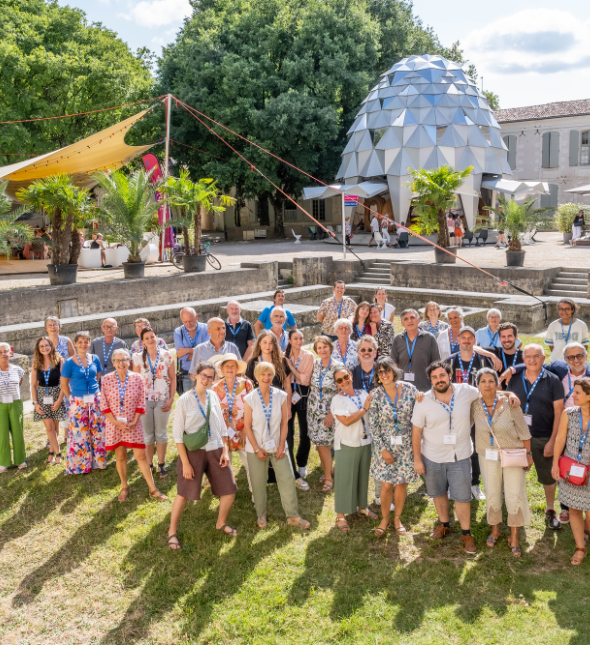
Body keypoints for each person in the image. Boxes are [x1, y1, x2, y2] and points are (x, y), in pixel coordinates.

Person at [412, 361, 520, 553]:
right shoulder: (423, 400)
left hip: (460, 455)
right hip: (432, 456)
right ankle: (444, 524)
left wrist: (509, 393)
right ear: (430, 380)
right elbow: (416, 432)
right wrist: (417, 459)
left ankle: (466, 533)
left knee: (462, 496)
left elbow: (488, 391)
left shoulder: (466, 391)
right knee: (438, 493)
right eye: (435, 377)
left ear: (450, 375)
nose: (439, 380)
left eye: (442, 376)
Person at [168, 361, 238, 549]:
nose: (206, 379)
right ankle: (172, 531)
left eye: (210, 376)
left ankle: (221, 522)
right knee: (183, 494)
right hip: (193, 453)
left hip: (215, 449)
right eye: (203, 375)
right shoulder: (184, 400)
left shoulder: (214, 396)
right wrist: (186, 463)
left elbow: (222, 427)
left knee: (230, 490)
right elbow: (177, 436)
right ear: (195, 376)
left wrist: (225, 450)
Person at [472, 368, 532, 557]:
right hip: (487, 455)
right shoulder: (474, 404)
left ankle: (514, 536)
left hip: (513, 453)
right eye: (483, 381)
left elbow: (524, 432)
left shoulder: (510, 403)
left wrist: (528, 454)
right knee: (492, 493)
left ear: (498, 383)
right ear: (478, 385)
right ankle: (495, 529)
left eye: (491, 381)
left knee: (514, 494)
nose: (487, 384)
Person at [243, 361, 310, 529]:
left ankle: (293, 516)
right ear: (257, 377)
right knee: (258, 482)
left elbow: (284, 423)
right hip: (256, 448)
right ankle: (261, 515)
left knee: (287, 479)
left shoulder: (281, 395)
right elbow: (247, 427)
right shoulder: (249, 398)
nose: (266, 377)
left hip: (279, 446)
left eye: (269, 374)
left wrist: (282, 445)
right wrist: (257, 449)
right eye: (263, 374)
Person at [507, 343, 565, 529]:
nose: (532, 360)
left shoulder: (553, 380)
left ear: (543, 358)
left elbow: (559, 412)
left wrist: (553, 441)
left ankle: (550, 510)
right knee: (515, 475)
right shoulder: (514, 378)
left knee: (548, 476)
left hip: (543, 437)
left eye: (536, 356)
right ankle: (515, 511)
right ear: (523, 359)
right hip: (517, 437)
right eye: (528, 357)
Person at [101, 348, 167, 502]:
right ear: (113, 363)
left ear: (129, 361)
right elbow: (104, 403)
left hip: (133, 423)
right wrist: (115, 421)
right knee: (120, 456)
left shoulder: (137, 378)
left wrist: (135, 420)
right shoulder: (107, 379)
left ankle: (153, 489)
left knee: (140, 456)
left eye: (124, 359)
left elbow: (140, 401)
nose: (121, 363)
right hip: (114, 424)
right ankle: (125, 487)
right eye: (117, 360)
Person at [446, 325, 499, 501]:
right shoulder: (450, 361)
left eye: (470, 338)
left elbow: (492, 386)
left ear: (474, 341)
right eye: (463, 338)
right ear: (458, 340)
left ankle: (474, 483)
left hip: (478, 411)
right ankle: (451, 484)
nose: (467, 341)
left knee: (476, 447)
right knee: (453, 446)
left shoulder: (484, 362)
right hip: (457, 412)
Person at [370, 357, 420, 536]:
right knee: (386, 485)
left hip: (406, 446)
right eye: (380, 372)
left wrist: (422, 397)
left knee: (401, 484)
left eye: (387, 370)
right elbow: (373, 425)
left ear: (394, 370)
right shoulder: (376, 394)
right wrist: (382, 450)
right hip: (384, 447)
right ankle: (385, 518)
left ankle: (397, 518)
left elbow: (420, 413)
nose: (384, 375)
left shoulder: (410, 389)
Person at [331, 366, 378, 530]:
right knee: (345, 478)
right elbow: (346, 420)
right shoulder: (337, 399)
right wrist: (364, 408)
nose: (344, 381)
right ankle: (340, 516)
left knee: (362, 475)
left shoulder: (362, 393)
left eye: (345, 377)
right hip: (347, 443)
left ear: (350, 375)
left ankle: (362, 506)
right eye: (339, 380)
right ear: (336, 384)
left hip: (365, 441)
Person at [551, 378, 590, 565]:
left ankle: (586, 532)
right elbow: (560, 440)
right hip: (571, 472)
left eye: (577, 393)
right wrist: (555, 464)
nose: (572, 395)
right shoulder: (569, 413)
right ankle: (580, 547)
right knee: (574, 509)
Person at [61, 332, 106, 475]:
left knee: (97, 431)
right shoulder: (69, 362)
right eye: (80, 342)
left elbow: (97, 377)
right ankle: (80, 465)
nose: (83, 344)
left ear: (89, 343)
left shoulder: (95, 358)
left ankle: (98, 462)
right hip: (78, 401)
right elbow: (64, 384)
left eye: (86, 341)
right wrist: (73, 399)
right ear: (75, 344)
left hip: (95, 399)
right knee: (80, 433)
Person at [132, 327, 176, 478]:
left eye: (152, 337)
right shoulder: (137, 357)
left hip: (162, 399)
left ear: (157, 337)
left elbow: (173, 378)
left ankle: (161, 464)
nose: (150, 340)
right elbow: (135, 381)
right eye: (147, 338)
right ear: (142, 341)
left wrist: (171, 398)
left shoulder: (167, 355)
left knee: (161, 434)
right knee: (148, 436)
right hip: (144, 401)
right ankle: (149, 464)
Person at [212, 353, 254, 493]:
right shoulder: (215, 389)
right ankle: (226, 493)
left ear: (237, 369)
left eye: (233, 365)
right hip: (224, 435)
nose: (230, 368)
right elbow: (213, 415)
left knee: (251, 465)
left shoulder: (247, 385)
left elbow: (253, 409)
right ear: (222, 370)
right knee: (224, 465)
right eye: (227, 366)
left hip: (244, 432)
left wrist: (245, 430)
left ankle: (256, 495)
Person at [307, 336, 344, 492]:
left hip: (330, 410)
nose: (322, 350)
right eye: (319, 348)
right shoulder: (315, 364)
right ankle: (328, 471)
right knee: (320, 443)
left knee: (324, 443)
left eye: (325, 347)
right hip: (314, 410)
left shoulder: (340, 367)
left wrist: (332, 413)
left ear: (331, 347)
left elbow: (344, 391)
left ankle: (328, 479)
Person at [285, 330, 315, 481]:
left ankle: (302, 463)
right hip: (287, 393)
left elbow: (305, 379)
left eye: (301, 338)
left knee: (305, 431)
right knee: (288, 431)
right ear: (289, 340)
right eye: (295, 338)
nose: (299, 341)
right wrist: (295, 371)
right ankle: (289, 463)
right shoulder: (283, 355)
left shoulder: (309, 356)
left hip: (303, 394)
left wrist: (290, 367)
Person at [31, 337, 66, 465]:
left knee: (56, 427)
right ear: (38, 349)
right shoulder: (36, 363)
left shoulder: (59, 360)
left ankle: (51, 451)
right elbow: (33, 385)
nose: (44, 348)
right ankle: (58, 453)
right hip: (42, 396)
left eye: (46, 345)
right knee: (49, 428)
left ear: (51, 346)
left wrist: (59, 400)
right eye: (41, 346)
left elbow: (64, 383)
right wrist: (35, 403)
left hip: (57, 395)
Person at [391, 308, 440, 392]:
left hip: (424, 388)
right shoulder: (397, 339)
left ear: (418, 320)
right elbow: (394, 364)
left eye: (412, 317)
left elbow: (436, 364)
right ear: (402, 323)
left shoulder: (429, 338)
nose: (409, 321)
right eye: (406, 319)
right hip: (402, 389)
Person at [0, 343, 26, 473]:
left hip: (15, 403)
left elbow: (19, 383)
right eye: (0, 352)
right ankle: (3, 462)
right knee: (2, 434)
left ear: (10, 353)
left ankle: (20, 460)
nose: (3, 354)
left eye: (6, 351)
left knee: (18, 432)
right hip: (0, 405)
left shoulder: (17, 369)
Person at [175, 307, 209, 391]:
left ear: (196, 317)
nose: (188, 324)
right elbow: (181, 356)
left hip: (205, 373)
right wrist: (201, 353)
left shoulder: (206, 328)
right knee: (189, 403)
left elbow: (208, 351)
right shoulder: (178, 332)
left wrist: (186, 350)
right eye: (185, 322)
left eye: (190, 321)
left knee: (206, 402)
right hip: (187, 374)